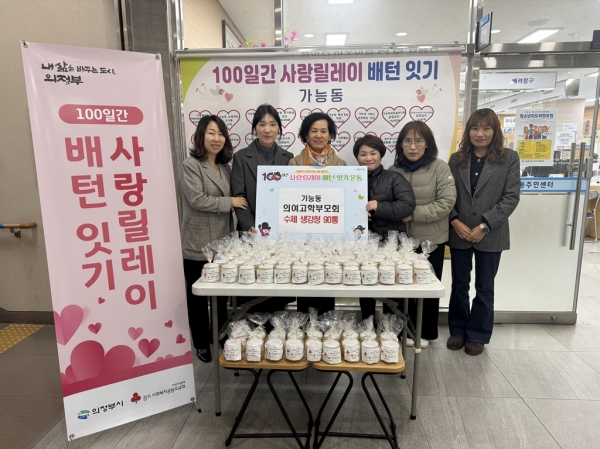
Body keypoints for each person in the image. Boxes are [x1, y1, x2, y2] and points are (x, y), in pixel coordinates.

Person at [447, 108, 521, 356]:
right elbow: (447, 195)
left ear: (494, 131)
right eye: (475, 128)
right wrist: (454, 220)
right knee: (459, 284)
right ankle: (458, 330)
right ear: (468, 131)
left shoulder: (509, 158)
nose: (480, 133)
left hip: (491, 233)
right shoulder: (457, 159)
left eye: (486, 128)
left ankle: (478, 334)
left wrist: (484, 226)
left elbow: (511, 198)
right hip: (459, 231)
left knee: (485, 286)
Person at [179, 115, 249, 363]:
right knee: (197, 297)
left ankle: (217, 334)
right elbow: (196, 200)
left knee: (220, 294)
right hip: (197, 242)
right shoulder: (191, 165)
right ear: (201, 136)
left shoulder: (225, 167)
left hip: (222, 243)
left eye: (220, 134)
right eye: (211, 133)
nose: (216, 138)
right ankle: (201, 343)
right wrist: (230, 202)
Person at [389, 121, 457, 348]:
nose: (413, 146)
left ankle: (424, 332)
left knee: (426, 287)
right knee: (400, 288)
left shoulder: (439, 168)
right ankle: (400, 331)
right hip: (400, 242)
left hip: (430, 241)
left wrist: (413, 214)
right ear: (401, 144)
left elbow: (446, 202)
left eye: (418, 141)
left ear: (427, 143)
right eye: (407, 141)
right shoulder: (393, 171)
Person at [231, 104, 294, 314]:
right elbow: (238, 196)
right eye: (262, 124)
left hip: (280, 235)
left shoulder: (289, 157)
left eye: (273, 124)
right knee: (253, 288)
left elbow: (291, 196)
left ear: (279, 129)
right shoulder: (241, 157)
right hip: (252, 234)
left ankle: (278, 328)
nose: (267, 129)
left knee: (278, 287)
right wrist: (249, 225)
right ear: (255, 128)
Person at [353, 135, 416, 321]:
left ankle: (392, 329)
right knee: (365, 286)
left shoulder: (394, 178)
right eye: (363, 154)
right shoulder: (350, 179)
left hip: (391, 244)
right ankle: (368, 326)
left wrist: (379, 207)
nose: (368, 158)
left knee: (391, 287)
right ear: (357, 157)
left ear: (381, 154)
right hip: (361, 244)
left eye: (373, 153)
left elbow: (407, 205)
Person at [290, 112, 347, 315]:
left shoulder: (341, 165)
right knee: (304, 281)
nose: (318, 135)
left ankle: (326, 326)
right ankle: (303, 327)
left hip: (331, 236)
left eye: (324, 131)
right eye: (313, 131)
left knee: (327, 281)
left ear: (330, 135)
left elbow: (345, 200)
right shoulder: (293, 164)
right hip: (301, 236)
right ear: (306, 134)